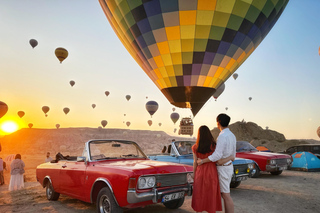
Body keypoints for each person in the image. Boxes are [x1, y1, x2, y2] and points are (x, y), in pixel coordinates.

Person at [197, 114, 236, 213]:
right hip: (229, 166)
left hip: (223, 168)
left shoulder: (222, 136)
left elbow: (217, 155)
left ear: (218, 123)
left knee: (226, 195)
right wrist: (228, 158)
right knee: (225, 194)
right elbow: (233, 155)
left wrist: (202, 161)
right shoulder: (232, 135)